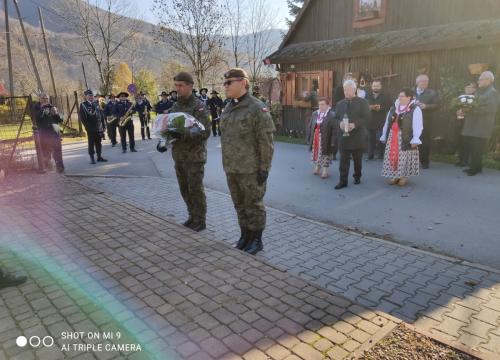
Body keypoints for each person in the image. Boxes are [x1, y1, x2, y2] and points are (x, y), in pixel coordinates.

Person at [219, 68, 275, 255]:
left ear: (243, 83)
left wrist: (264, 168)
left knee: (254, 205)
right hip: (232, 167)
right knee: (239, 204)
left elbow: (266, 142)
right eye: (224, 83)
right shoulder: (228, 107)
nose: (225, 86)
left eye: (229, 82)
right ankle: (245, 236)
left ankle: (256, 240)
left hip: (250, 169)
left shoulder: (257, 108)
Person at [168, 72, 211, 231]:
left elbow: (205, 131)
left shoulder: (199, 106)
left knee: (195, 189)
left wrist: (183, 133)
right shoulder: (175, 106)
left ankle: (200, 219)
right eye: (176, 85)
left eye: (180, 85)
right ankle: (192, 216)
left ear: (190, 86)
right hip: (179, 155)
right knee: (184, 188)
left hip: (194, 156)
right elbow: (170, 127)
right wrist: (165, 138)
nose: (177, 89)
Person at [331, 80, 370, 189]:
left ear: (354, 90)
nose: (347, 92)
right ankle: (343, 181)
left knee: (357, 161)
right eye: (345, 90)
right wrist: (340, 124)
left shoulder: (363, 102)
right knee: (343, 161)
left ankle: (357, 176)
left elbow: (367, 118)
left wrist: (355, 124)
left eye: (349, 90)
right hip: (344, 137)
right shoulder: (339, 104)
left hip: (358, 137)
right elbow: (334, 119)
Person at [380, 88, 423, 186]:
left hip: (405, 136)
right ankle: (395, 175)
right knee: (393, 156)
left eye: (402, 96)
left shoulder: (414, 109)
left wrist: (415, 138)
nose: (400, 98)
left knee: (404, 157)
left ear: (409, 97)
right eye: (399, 96)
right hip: (393, 135)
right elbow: (387, 122)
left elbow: (418, 125)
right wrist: (384, 134)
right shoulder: (394, 108)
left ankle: (403, 176)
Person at [460, 71, 499, 176]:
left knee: (476, 147)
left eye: (480, 79)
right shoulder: (480, 92)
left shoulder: (492, 93)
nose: (478, 81)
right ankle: (477, 167)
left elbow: (490, 109)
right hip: (473, 124)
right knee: (473, 146)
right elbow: (473, 104)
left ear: (488, 80)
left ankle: (474, 169)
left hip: (481, 125)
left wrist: (471, 110)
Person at [33, 93, 65, 173]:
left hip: (55, 133)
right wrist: (42, 109)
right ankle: (47, 168)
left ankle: (60, 168)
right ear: (39, 99)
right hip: (44, 134)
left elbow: (61, 120)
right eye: (43, 98)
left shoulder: (52, 107)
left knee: (57, 151)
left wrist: (56, 113)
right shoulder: (36, 108)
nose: (45, 100)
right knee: (46, 152)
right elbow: (36, 118)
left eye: (47, 98)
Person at [306, 97, 336, 179]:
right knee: (316, 152)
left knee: (325, 153)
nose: (320, 106)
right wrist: (309, 137)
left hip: (326, 137)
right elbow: (310, 126)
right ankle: (318, 167)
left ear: (327, 105)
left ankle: (325, 170)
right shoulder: (315, 113)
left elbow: (334, 129)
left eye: (322, 104)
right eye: (319, 104)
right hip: (316, 136)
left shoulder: (332, 115)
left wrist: (333, 141)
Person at [414, 74, 440, 169]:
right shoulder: (410, 92)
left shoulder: (432, 93)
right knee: (412, 141)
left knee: (424, 142)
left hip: (425, 120)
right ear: (417, 82)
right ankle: (412, 161)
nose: (425, 83)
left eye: (427, 81)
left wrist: (426, 106)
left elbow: (437, 105)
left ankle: (424, 162)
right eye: (423, 81)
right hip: (412, 120)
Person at [79, 90, 108, 164]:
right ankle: (92, 158)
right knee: (91, 143)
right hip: (90, 128)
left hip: (98, 127)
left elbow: (101, 115)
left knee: (99, 142)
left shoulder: (96, 104)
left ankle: (99, 156)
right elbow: (83, 118)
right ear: (86, 97)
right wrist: (87, 127)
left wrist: (104, 125)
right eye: (89, 96)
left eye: (92, 95)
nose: (91, 97)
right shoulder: (83, 105)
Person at [366, 80, 392, 160]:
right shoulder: (368, 95)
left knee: (380, 138)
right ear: (371, 87)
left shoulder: (386, 96)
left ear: (380, 86)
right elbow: (363, 105)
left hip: (381, 120)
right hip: (370, 120)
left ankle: (381, 155)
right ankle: (370, 155)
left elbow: (390, 106)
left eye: (377, 86)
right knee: (370, 139)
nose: (375, 87)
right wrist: (369, 107)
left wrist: (380, 108)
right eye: (374, 86)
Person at [454, 82, 477, 167]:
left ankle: (466, 160)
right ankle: (461, 159)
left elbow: (476, 110)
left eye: (471, 87)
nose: (468, 89)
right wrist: (457, 111)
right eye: (467, 87)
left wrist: (466, 112)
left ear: (474, 89)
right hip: (461, 122)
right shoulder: (461, 97)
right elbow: (455, 107)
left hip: (471, 123)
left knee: (468, 141)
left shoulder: (476, 98)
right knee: (461, 141)